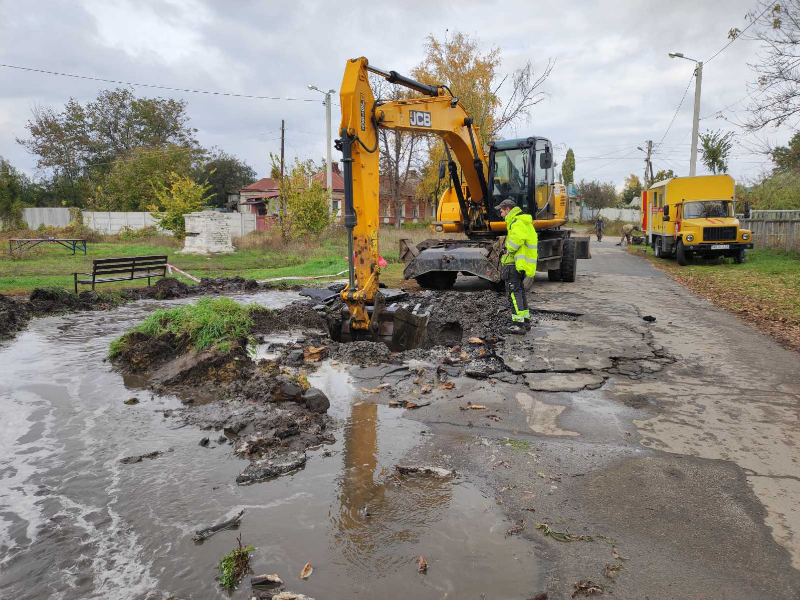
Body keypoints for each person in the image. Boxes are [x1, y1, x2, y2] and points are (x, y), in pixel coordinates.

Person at [496, 199, 538, 334]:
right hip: (518, 264)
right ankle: (525, 321)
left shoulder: (516, 222)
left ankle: (518, 324)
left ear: (508, 209)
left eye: (501, 211)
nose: (500, 214)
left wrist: (507, 248)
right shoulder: (522, 221)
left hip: (512, 264)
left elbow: (518, 239)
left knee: (513, 293)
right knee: (519, 292)